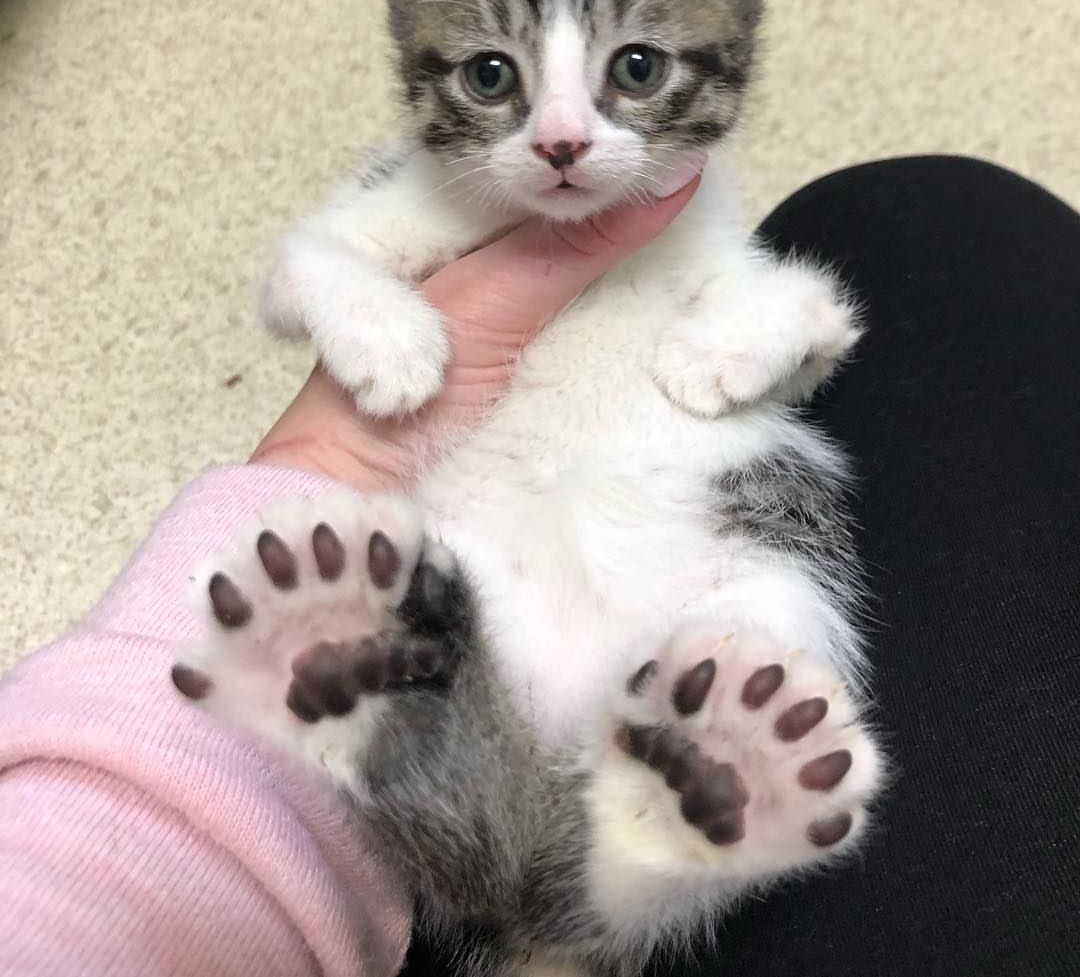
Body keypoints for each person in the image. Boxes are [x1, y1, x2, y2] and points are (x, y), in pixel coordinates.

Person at [0, 156, 1075, 977]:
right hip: (522, 588)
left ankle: (600, 836)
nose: (562, 140)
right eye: (495, 74)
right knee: (938, 217)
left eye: (633, 71)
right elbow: (308, 274)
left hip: (600, 583)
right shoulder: (420, 185)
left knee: (748, 605)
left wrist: (326, 461)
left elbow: (796, 329)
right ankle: (625, 855)